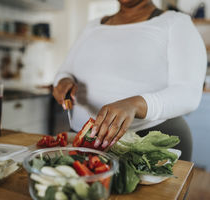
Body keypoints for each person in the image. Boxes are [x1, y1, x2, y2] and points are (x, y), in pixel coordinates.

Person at [53, 0, 207, 161]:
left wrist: (135, 104)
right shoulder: (92, 26)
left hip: (146, 143)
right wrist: (63, 81)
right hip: (82, 139)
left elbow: (188, 93)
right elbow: (65, 71)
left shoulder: (175, 23)